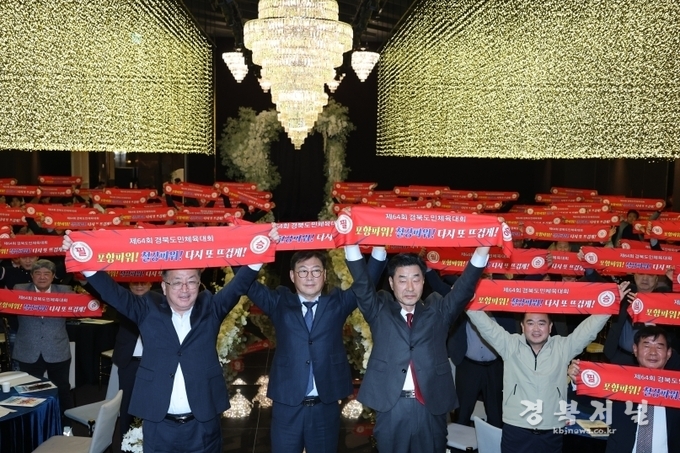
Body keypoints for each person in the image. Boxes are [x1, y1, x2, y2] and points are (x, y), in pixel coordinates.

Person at [61, 232, 261, 453]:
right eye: (177, 282)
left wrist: (262, 246)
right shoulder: (147, 309)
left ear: (199, 284)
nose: (184, 289)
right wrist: (81, 255)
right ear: (164, 287)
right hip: (159, 425)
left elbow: (239, 285)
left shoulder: (211, 308)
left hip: (203, 423)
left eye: (191, 282)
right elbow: (112, 293)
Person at [345, 244, 490, 453]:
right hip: (391, 406)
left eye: (415, 279)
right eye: (402, 280)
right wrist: (350, 243)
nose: (410, 287)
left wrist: (483, 249)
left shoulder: (438, 310)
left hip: (430, 406)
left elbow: (464, 289)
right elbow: (362, 285)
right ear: (391, 283)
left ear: (423, 281)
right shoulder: (379, 310)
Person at [243, 246, 386, 453]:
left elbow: (365, 284)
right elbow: (246, 283)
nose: (309, 277)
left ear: (325, 275)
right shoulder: (279, 302)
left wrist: (379, 249)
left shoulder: (337, 303)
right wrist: (254, 246)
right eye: (303, 271)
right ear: (292, 276)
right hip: (287, 405)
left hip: (325, 406)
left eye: (316, 271)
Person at [465, 281, 629, 453]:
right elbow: (487, 327)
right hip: (516, 429)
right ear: (522, 327)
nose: (536, 328)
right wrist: (465, 297)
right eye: (530, 323)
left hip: (551, 431)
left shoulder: (563, 347)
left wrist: (610, 303)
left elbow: (587, 331)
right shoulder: (509, 345)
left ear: (550, 327)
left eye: (541, 323)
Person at [426, 269, 515, 428]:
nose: (483, 282)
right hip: (468, 367)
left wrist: (541, 266)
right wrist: (428, 267)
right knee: (462, 415)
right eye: (480, 278)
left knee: (496, 417)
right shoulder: (464, 299)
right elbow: (439, 287)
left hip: (495, 368)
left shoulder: (502, 302)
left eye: (487, 278)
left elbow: (524, 289)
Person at [571, 326, 680, 452]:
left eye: (659, 347)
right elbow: (587, 401)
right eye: (646, 346)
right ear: (635, 349)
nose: (653, 352)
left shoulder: (676, 387)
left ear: (669, 353)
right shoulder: (620, 381)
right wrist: (577, 380)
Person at [13, 259, 74, 412]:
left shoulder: (65, 291)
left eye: (46, 274)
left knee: (62, 389)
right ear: (32, 276)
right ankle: (34, 423)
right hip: (28, 350)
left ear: (53, 276)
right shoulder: (19, 290)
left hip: (57, 350)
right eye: (38, 273)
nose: (42, 277)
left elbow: (80, 307)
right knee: (29, 392)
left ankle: (65, 422)